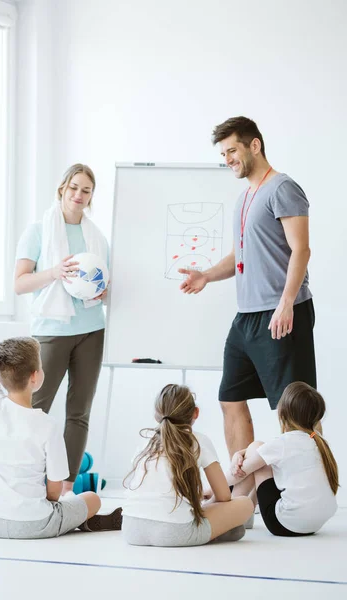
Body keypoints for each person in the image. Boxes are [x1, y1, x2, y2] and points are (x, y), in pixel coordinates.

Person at [179, 116, 316, 459]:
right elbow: (240, 254)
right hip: (247, 316)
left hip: (283, 312)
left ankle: (307, 489)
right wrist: (207, 275)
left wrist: (286, 303)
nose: (227, 160)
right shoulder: (244, 198)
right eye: (223, 154)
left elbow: (301, 249)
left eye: (232, 151)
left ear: (254, 145)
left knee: (295, 411)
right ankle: (244, 493)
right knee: (229, 397)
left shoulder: (283, 188)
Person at [0, 273, 121, 539]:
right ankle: (80, 519)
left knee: (68, 504)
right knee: (91, 499)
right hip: (35, 524)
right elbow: (54, 492)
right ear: (35, 377)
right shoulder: (47, 425)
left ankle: (75, 519)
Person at [15, 164, 109, 496]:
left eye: (86, 190)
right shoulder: (38, 231)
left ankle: (65, 490)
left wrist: (101, 292)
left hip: (91, 329)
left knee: (79, 412)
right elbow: (20, 284)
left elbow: (105, 284)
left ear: (91, 196)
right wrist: (55, 271)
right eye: (74, 188)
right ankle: (26, 480)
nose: (79, 195)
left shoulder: (97, 237)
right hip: (52, 330)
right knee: (37, 407)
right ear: (62, 189)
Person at [122, 384, 253, 547]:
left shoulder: (145, 442)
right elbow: (224, 496)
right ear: (195, 413)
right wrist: (210, 503)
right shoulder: (199, 440)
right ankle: (219, 530)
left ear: (157, 415)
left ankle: (219, 530)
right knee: (245, 504)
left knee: (212, 517)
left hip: (130, 530)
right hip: (175, 532)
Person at [227, 382, 338, 537]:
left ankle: (233, 517)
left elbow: (241, 472)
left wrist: (211, 490)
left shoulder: (283, 443)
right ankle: (244, 514)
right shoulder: (317, 440)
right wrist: (239, 453)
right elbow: (262, 453)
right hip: (315, 524)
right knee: (259, 452)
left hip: (284, 525)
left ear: (282, 414)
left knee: (257, 450)